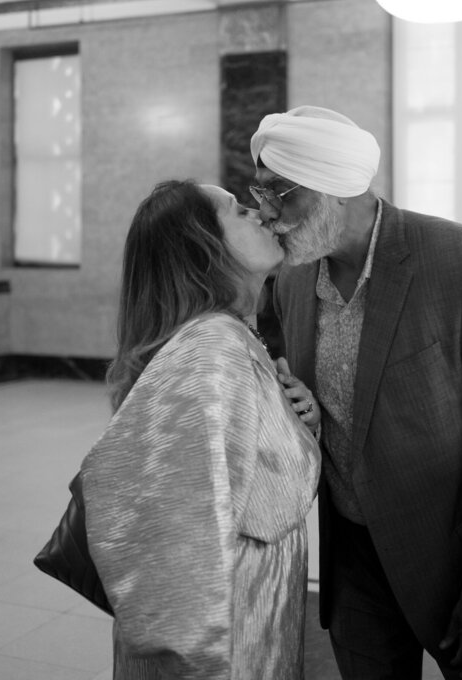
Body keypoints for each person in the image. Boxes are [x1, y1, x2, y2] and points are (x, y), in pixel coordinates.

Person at [249, 105, 462, 679]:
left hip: (461, 557)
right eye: (259, 191)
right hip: (352, 557)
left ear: (333, 190)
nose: (267, 214)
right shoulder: (293, 278)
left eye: (278, 193)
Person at [81, 180, 322, 679]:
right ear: (203, 249)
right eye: (237, 211)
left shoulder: (229, 335)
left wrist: (300, 426)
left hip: (249, 606)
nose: (260, 213)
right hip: (226, 629)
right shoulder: (210, 350)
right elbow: (177, 535)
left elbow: (250, 481)